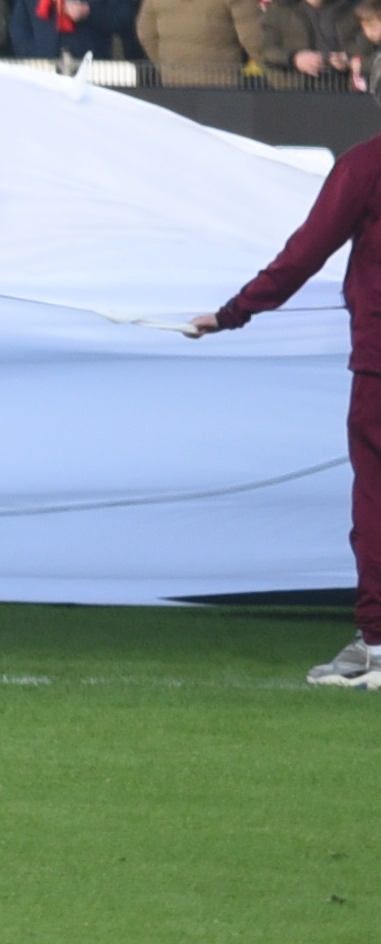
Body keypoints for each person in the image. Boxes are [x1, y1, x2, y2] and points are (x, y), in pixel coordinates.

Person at [186, 130, 381, 689]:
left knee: (375, 501)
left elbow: (307, 251)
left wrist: (232, 313)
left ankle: (376, 643)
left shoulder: (366, 165)